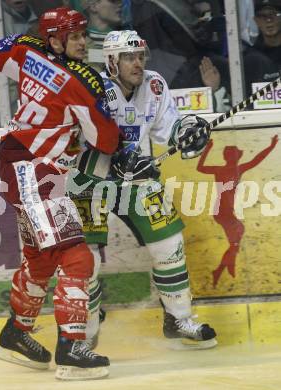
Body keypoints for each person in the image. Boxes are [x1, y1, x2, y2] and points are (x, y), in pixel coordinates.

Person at [0, 6, 121, 381]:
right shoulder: (79, 82)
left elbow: (1, 52)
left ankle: (16, 334)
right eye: (75, 35)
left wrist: (39, 49)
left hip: (21, 166)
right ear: (56, 39)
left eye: (83, 34)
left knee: (41, 258)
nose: (83, 42)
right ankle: (72, 348)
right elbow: (106, 140)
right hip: (37, 170)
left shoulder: (28, 53)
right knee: (78, 258)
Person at [71, 30, 218, 351]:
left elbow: (169, 126)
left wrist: (188, 130)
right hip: (89, 179)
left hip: (136, 175)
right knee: (85, 261)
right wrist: (118, 160)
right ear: (111, 61)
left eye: (140, 56)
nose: (137, 63)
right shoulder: (91, 87)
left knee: (169, 242)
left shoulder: (154, 84)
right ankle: (85, 330)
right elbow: (80, 141)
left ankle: (178, 318)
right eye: (128, 57)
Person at [197, 136, 278, 287]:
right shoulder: (223, 170)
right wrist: (206, 149)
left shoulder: (237, 169)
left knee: (235, 240)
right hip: (222, 211)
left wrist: (271, 146)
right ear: (230, 157)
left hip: (226, 211)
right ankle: (225, 267)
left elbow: (257, 159)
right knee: (237, 236)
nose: (237, 157)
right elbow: (199, 168)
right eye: (235, 155)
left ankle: (222, 269)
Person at [244, 0, 281, 95]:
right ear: (256, 21)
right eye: (262, 16)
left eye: (273, 14)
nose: (268, 20)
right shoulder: (250, 59)